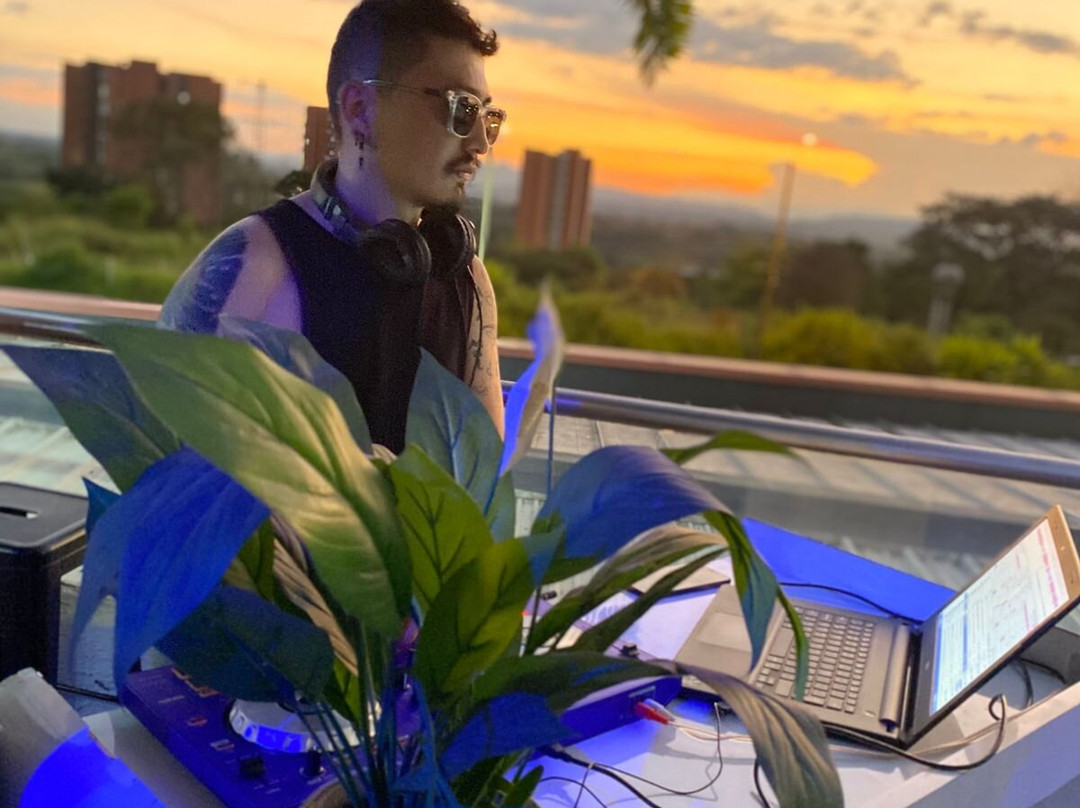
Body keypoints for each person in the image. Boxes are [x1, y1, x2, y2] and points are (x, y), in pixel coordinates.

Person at [158, 0, 506, 453]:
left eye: (488, 118)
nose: (480, 142)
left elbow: (485, 472)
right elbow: (163, 461)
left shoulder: (466, 280)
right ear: (359, 108)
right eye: (462, 109)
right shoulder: (253, 263)